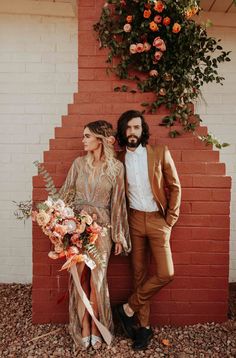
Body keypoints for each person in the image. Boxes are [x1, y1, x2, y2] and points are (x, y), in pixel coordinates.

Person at [59, 120, 131, 350]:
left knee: (97, 279)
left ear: (100, 139)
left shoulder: (116, 168)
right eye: (83, 136)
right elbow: (65, 194)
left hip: (103, 229)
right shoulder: (79, 164)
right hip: (77, 227)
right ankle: (84, 327)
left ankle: (97, 323)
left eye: (87, 136)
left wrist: (119, 234)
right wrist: (54, 218)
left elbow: (119, 203)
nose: (83, 140)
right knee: (80, 278)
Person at [116, 110, 181, 351]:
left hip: (157, 220)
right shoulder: (119, 159)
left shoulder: (159, 153)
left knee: (166, 273)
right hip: (133, 220)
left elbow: (175, 186)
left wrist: (170, 220)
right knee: (138, 275)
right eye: (128, 128)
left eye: (136, 127)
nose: (132, 132)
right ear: (123, 132)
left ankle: (126, 308)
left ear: (142, 130)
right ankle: (143, 329)